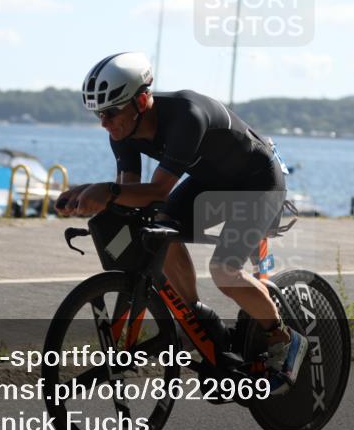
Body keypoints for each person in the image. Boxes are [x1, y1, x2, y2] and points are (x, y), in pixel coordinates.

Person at [56, 52, 307, 395]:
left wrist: (105, 191)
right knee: (157, 228)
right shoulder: (121, 133)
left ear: (142, 100)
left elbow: (158, 189)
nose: (105, 122)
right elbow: (130, 193)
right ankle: (198, 319)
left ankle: (285, 339)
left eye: (111, 112)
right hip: (212, 183)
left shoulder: (186, 116)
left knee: (224, 271)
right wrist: (87, 194)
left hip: (256, 181)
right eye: (100, 114)